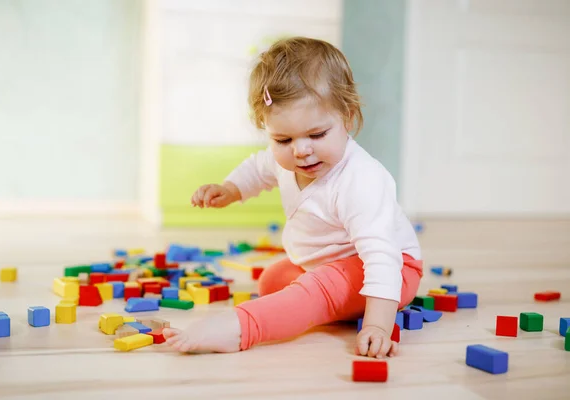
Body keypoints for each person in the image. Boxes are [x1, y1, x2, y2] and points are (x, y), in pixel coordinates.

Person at [163, 37, 423, 358]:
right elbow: (258, 168)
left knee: (315, 291)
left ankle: (240, 329)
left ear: (348, 119)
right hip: (330, 265)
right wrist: (230, 189)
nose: (301, 150)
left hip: (393, 269)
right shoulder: (286, 158)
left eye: (317, 135)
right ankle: (329, 304)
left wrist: (378, 326)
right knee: (272, 281)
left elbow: (382, 256)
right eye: (283, 139)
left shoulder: (361, 180)